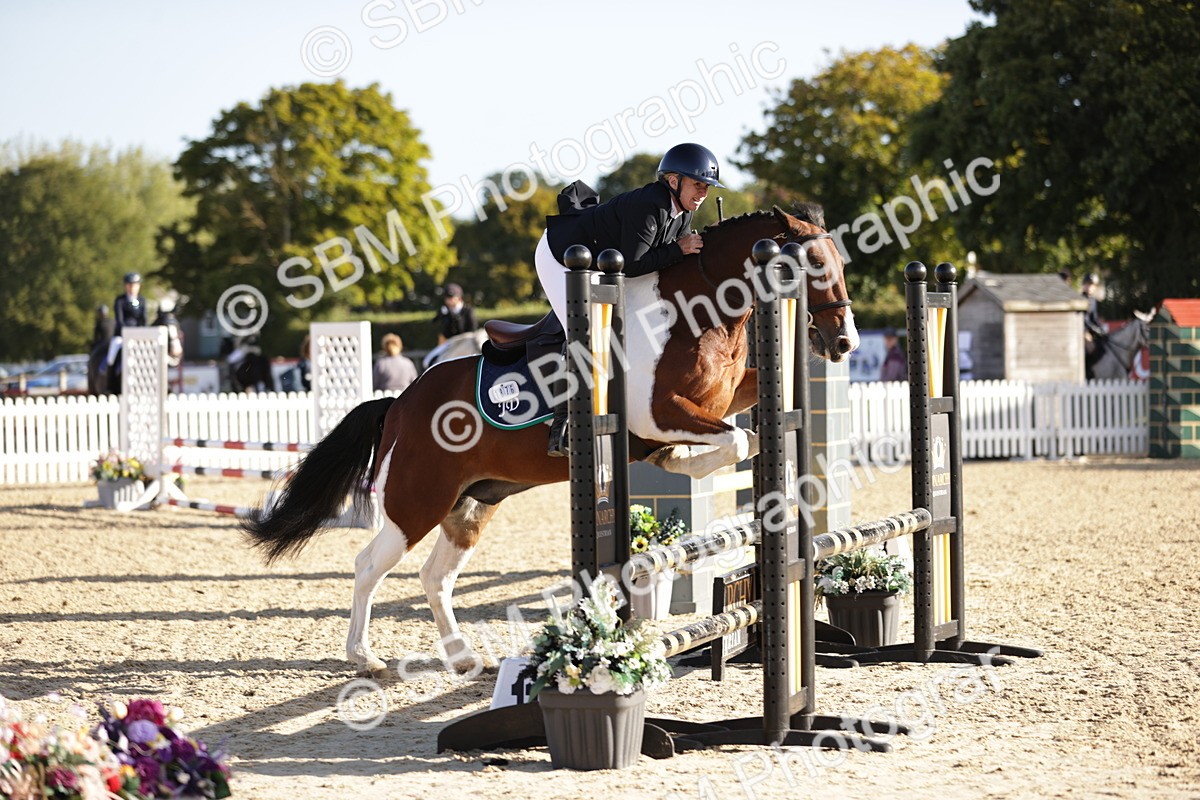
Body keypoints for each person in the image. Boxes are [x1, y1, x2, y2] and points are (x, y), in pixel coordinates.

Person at [534, 142, 725, 456]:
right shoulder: (652, 204)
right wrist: (680, 249)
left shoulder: (681, 213)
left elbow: (671, 256)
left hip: (598, 261)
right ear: (673, 181)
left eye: (707, 187)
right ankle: (561, 427)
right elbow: (633, 265)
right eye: (698, 185)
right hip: (560, 255)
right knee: (583, 329)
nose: (703, 193)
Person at [106, 272, 147, 367]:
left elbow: (144, 319)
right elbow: (120, 320)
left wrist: (143, 332)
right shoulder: (120, 300)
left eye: (135, 285)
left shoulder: (142, 300)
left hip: (138, 335)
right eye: (130, 285)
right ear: (126, 286)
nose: (132, 288)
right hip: (122, 335)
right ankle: (109, 378)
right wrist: (128, 332)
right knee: (111, 358)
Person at [1081, 272, 1108, 377]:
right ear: (1084, 285)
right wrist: (1093, 329)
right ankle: (1087, 371)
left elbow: (1094, 318)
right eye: (1088, 284)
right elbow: (1084, 319)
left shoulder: (1093, 301)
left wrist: (1101, 329)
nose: (1090, 287)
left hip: (1091, 329)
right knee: (1090, 347)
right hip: (1082, 330)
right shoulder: (1081, 299)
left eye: (1092, 285)